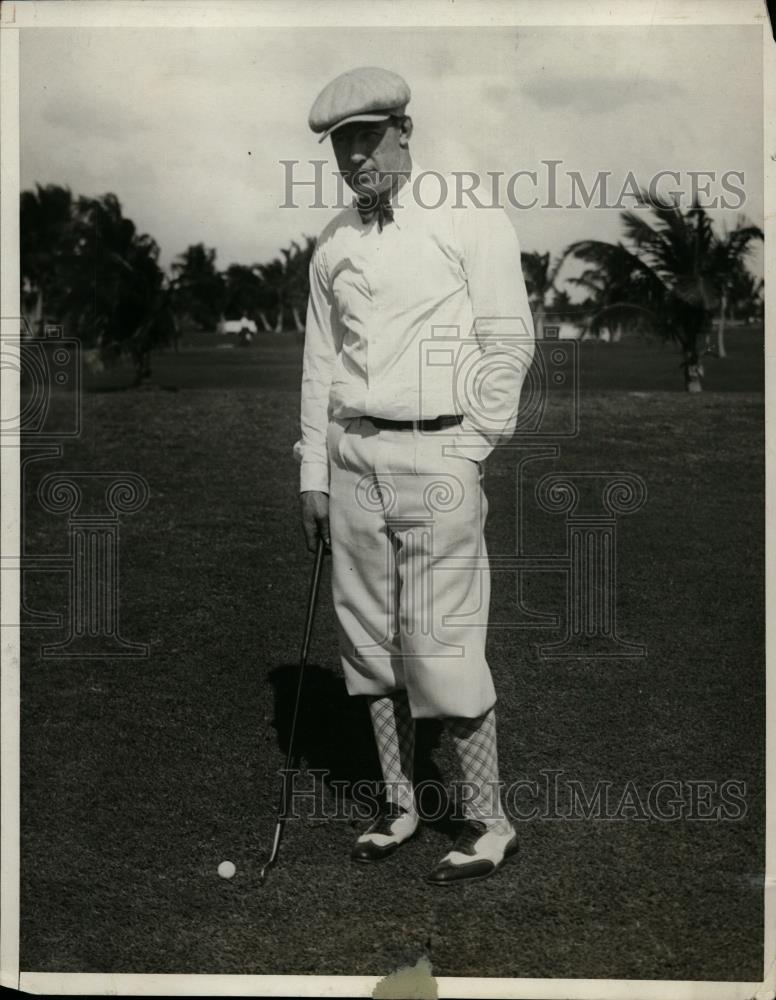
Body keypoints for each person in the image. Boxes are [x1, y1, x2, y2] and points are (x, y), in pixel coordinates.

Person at [295, 66, 535, 884]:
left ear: (405, 132)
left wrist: (471, 448)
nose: (355, 159)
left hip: (439, 455)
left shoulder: (469, 216)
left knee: (442, 642)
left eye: (367, 138)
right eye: (340, 146)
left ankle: (489, 822)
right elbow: (320, 364)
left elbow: (511, 340)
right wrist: (313, 473)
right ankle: (400, 805)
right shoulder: (334, 240)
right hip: (352, 454)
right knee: (367, 643)